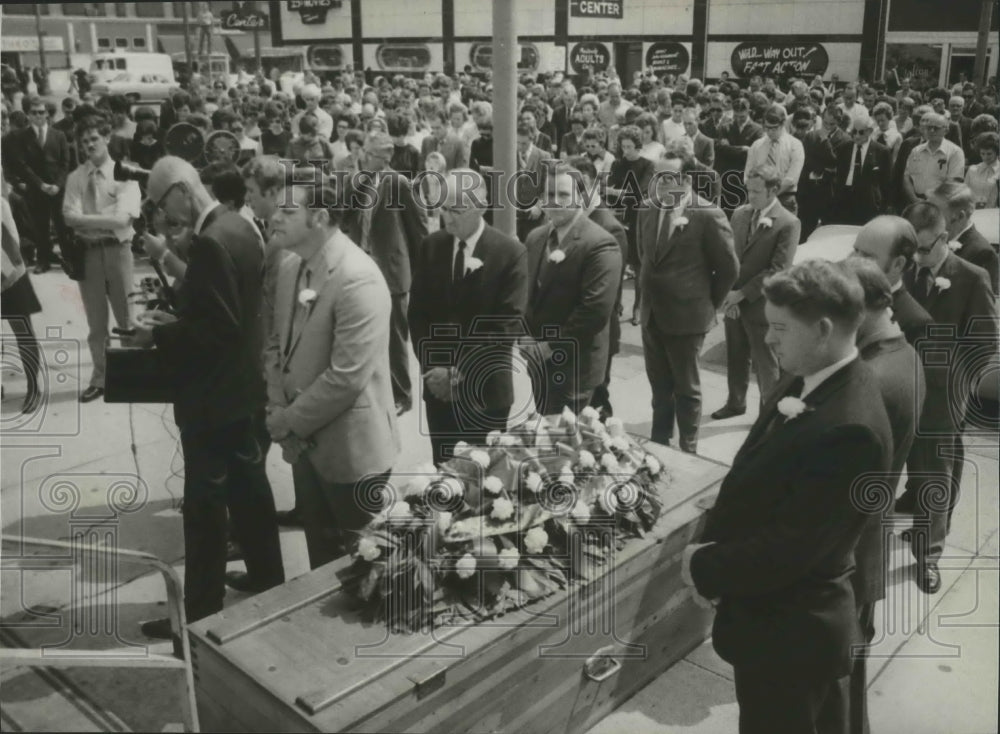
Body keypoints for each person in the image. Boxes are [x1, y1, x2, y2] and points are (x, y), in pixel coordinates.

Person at [682, 259, 893, 734]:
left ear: (822, 330)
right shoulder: (808, 374)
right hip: (770, 624)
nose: (769, 337)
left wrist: (703, 565)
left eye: (779, 327)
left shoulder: (852, 428)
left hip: (794, 637)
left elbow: (791, 548)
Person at [135, 156, 285, 639]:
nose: (161, 217)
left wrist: (160, 335)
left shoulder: (212, 242)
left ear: (181, 191)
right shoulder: (237, 226)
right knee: (250, 491)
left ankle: (199, 616)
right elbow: (231, 312)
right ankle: (268, 578)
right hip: (241, 391)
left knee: (204, 509)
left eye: (160, 204)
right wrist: (178, 316)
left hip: (213, 399)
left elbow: (219, 328)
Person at [264, 173, 399, 569]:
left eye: (289, 211)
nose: (275, 218)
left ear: (320, 217)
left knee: (367, 568)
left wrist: (288, 421)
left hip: (352, 455)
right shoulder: (291, 266)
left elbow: (347, 378)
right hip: (305, 447)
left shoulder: (359, 277)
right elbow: (276, 345)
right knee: (322, 565)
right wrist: (276, 405)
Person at [826, 256, 925, 734]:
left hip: (848, 551)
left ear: (860, 308)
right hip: (866, 546)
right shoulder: (902, 354)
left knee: (834, 689)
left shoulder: (871, 378)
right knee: (847, 677)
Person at [897, 202, 996, 594]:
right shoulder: (902, 272)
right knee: (910, 471)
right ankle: (918, 526)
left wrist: (954, 390)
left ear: (944, 238)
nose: (917, 257)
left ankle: (930, 554)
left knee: (936, 476)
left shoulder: (972, 277)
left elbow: (984, 344)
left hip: (942, 397)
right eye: (911, 250)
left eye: (923, 249)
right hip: (901, 388)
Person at [408, 168, 529, 464]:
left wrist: (458, 373)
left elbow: (505, 326)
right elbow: (418, 315)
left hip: (484, 393)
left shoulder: (509, 253)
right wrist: (435, 369)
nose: (447, 217)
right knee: (443, 476)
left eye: (456, 209)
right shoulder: (431, 246)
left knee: (483, 484)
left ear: (481, 207)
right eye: (442, 208)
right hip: (438, 391)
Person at [637, 152, 738, 453]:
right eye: (657, 176)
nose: (659, 184)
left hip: (687, 317)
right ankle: (658, 443)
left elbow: (729, 269)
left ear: (686, 180)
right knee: (659, 386)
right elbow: (644, 256)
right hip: (652, 314)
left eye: (667, 177)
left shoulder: (707, 214)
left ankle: (689, 449)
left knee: (686, 389)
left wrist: (706, 303)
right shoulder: (647, 209)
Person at [521, 162, 622, 415]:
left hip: (574, 367)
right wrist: (523, 336)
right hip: (538, 362)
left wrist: (547, 347)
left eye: (563, 194)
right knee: (546, 432)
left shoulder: (600, 242)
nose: (554, 201)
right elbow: (525, 293)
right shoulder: (535, 237)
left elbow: (594, 311)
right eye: (549, 194)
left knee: (565, 444)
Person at [343, 131, 428, 415]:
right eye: (364, 154)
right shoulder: (355, 180)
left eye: (372, 156)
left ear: (386, 158)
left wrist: (420, 271)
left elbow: (418, 227)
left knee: (395, 336)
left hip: (392, 270)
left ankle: (402, 394)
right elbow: (342, 213)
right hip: (360, 266)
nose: (365, 159)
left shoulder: (398, 183)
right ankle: (373, 389)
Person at [60, 114, 139, 404]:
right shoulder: (75, 178)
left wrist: (89, 220)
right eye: (83, 141)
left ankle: (133, 376)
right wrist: (106, 218)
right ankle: (102, 378)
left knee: (127, 319)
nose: (88, 145)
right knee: (96, 323)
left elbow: (122, 220)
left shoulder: (125, 174)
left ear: (106, 138)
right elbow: (69, 216)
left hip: (118, 252)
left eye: (94, 138)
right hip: (88, 254)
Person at [714, 164, 800, 420]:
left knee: (766, 364)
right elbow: (729, 255)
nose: (750, 196)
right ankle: (736, 402)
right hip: (735, 298)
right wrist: (730, 293)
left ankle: (769, 414)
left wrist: (742, 294)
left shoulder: (788, 222)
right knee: (736, 355)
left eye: (756, 191)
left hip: (763, 305)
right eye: (748, 190)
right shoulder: (740, 214)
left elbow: (778, 269)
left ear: (773, 190)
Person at [571, 156, 629, 419]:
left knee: (594, 407)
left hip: (595, 336)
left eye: (581, 185)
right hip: (568, 334)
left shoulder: (609, 228)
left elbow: (605, 294)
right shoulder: (568, 219)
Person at [851, 215, 933, 347]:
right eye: (855, 250)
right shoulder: (845, 296)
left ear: (898, 264)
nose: (852, 261)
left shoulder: (916, 323)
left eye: (867, 256)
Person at [10, 95, 70, 274]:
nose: (38, 116)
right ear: (28, 115)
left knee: (62, 226)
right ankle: (43, 260)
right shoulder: (22, 137)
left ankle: (69, 258)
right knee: (40, 227)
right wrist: (40, 185)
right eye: (34, 113)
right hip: (36, 190)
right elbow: (22, 166)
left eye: (41, 112)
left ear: (47, 114)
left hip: (58, 190)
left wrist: (58, 185)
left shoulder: (59, 135)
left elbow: (65, 163)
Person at [606, 125, 654, 324]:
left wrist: (618, 193)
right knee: (618, 263)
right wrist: (619, 194)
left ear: (638, 146)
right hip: (619, 218)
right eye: (623, 146)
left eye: (629, 147)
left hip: (638, 219)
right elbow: (608, 190)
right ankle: (616, 304)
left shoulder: (648, 166)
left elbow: (641, 192)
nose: (625, 150)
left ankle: (638, 306)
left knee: (639, 264)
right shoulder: (617, 164)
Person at [1, 184, 42, 415]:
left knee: (23, 332)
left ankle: (33, 388)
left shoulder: (3, 202)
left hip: (9, 272)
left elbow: (11, 238)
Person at [928, 181, 998, 294]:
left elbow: (985, 306)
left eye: (937, 212)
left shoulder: (983, 253)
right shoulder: (934, 241)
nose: (929, 217)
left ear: (960, 216)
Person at [830, 114, 891, 225]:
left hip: (868, 203)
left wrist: (883, 208)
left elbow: (886, 183)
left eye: (861, 132)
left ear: (870, 131)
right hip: (844, 201)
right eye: (854, 132)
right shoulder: (843, 148)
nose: (857, 136)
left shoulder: (882, 152)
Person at [744, 104, 804, 214]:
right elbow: (748, 173)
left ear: (782, 124)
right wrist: (759, 194)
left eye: (774, 128)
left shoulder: (795, 145)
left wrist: (769, 195)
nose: (770, 132)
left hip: (784, 199)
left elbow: (791, 179)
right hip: (759, 197)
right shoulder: (757, 145)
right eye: (767, 128)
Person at [902, 112, 965, 205]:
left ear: (946, 130)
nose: (931, 131)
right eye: (929, 127)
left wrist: (933, 200)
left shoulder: (955, 152)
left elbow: (953, 182)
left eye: (936, 128)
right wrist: (914, 199)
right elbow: (907, 177)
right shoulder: (916, 150)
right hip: (916, 201)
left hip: (942, 202)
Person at [715, 98, 763, 213]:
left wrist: (730, 148)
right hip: (727, 177)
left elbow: (754, 153)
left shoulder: (758, 130)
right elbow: (720, 150)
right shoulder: (725, 127)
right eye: (736, 116)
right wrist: (743, 149)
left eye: (742, 117)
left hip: (744, 177)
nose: (738, 119)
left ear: (749, 112)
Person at [964, 132, 999, 208]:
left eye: (989, 154)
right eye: (982, 153)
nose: (985, 157)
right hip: (973, 212)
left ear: (996, 152)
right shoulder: (972, 170)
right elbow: (964, 194)